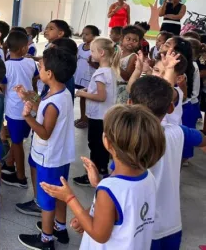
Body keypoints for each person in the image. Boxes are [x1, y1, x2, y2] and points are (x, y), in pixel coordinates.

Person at [40, 104, 165, 250]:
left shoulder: (108, 189)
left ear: (107, 142)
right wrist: (98, 184)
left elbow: (99, 235)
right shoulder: (147, 176)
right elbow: (124, 206)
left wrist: (69, 198)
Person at [130, 76, 206, 250]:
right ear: (171, 108)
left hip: (140, 226)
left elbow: (117, 179)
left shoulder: (129, 142)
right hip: (172, 224)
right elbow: (203, 140)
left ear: (129, 104)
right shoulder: (180, 132)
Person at [16, 46, 77, 249]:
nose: (38, 69)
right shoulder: (62, 92)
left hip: (48, 159)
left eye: (40, 66)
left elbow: (44, 131)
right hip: (61, 156)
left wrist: (27, 117)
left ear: (49, 74)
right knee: (60, 193)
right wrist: (27, 96)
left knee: (47, 200)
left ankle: (46, 239)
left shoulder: (53, 103)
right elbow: (41, 104)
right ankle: (60, 228)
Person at [74, 38, 117, 185]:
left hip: (98, 116)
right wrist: (87, 90)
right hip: (106, 115)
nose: (90, 54)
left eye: (92, 51)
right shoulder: (109, 71)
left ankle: (93, 174)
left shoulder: (100, 74)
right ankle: (103, 170)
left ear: (102, 53)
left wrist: (82, 94)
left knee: (95, 145)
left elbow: (101, 96)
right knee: (102, 145)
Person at [1, 32, 39, 188]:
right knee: (20, 139)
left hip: (15, 110)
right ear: (24, 48)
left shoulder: (5, 66)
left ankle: (21, 177)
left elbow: (3, 88)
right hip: (30, 106)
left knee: (16, 144)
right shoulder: (31, 63)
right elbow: (35, 80)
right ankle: (10, 164)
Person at [74, 25, 100, 129]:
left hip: (90, 78)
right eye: (83, 33)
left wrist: (91, 63)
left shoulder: (96, 49)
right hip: (79, 77)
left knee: (87, 98)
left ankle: (87, 119)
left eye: (87, 34)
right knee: (82, 98)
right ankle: (82, 117)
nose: (83, 36)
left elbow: (98, 65)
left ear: (94, 36)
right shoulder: (80, 46)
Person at [115, 25, 142, 103]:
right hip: (111, 85)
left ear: (138, 43)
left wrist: (115, 64)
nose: (131, 42)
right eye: (128, 39)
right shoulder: (116, 51)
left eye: (135, 40)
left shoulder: (133, 57)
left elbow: (127, 77)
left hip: (122, 89)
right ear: (122, 39)